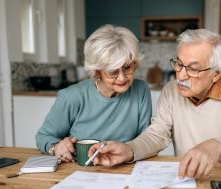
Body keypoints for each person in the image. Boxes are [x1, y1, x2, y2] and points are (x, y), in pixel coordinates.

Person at [89, 28, 221, 178]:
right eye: (179, 64)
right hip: (189, 179)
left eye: (193, 69)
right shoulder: (171, 90)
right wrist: (128, 149)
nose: (180, 76)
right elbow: (156, 136)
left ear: (217, 73)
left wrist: (217, 146)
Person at [35, 24, 152, 162]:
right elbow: (43, 136)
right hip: (79, 170)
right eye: (112, 70)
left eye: (127, 67)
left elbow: (146, 141)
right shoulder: (72, 97)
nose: (122, 77)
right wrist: (55, 147)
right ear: (97, 70)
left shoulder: (141, 91)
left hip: (124, 169)